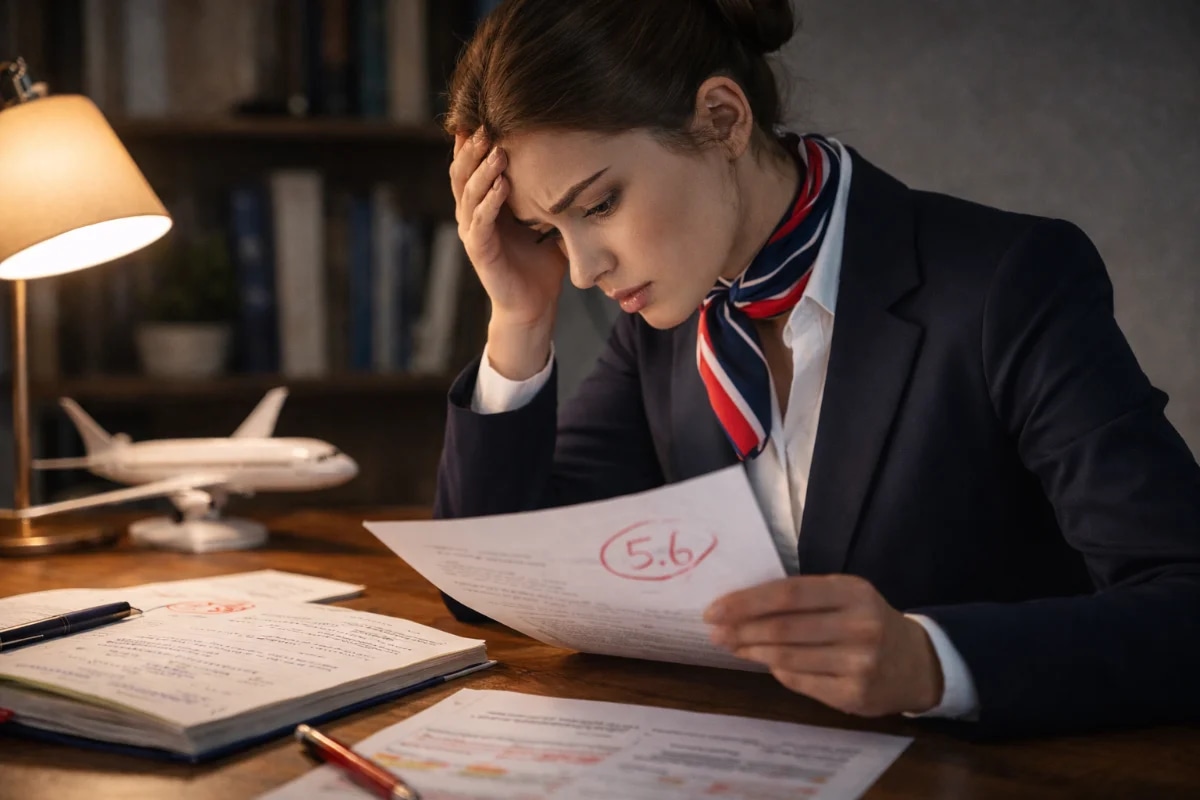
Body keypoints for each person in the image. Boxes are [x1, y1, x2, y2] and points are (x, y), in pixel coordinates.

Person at [434, 0, 1200, 737]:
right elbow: (497, 587)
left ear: (722, 120)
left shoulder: (1009, 282)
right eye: (548, 231)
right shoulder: (661, 325)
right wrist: (519, 320)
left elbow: (1183, 603)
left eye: (598, 205)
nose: (581, 270)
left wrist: (932, 662)